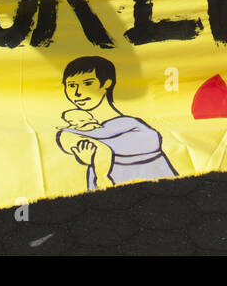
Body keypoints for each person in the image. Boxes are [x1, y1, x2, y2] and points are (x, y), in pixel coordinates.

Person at [55, 56, 176, 191]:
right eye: (71, 85)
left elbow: (147, 143)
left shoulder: (133, 126)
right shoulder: (69, 132)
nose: (77, 93)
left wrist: (98, 154)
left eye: (88, 84)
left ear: (107, 83)